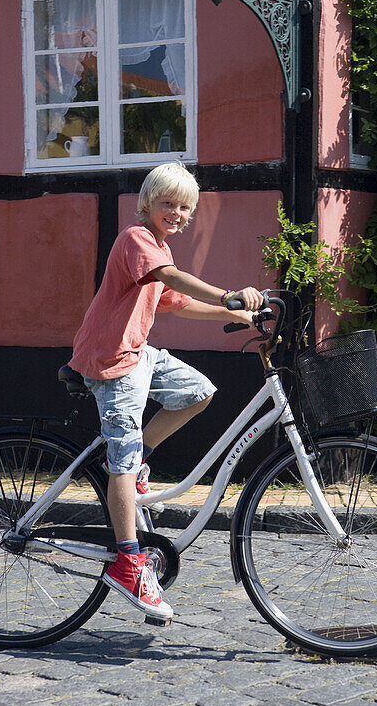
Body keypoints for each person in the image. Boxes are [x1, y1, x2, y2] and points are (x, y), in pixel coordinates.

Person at [70, 161, 264, 623]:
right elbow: (174, 280)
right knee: (120, 459)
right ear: (147, 204)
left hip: (139, 354)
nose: (176, 212)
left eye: (184, 207)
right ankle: (126, 561)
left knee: (200, 392)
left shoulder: (158, 247)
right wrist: (228, 296)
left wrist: (233, 316)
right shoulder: (136, 239)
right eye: (167, 204)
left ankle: (138, 461)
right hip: (112, 361)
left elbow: (175, 300)